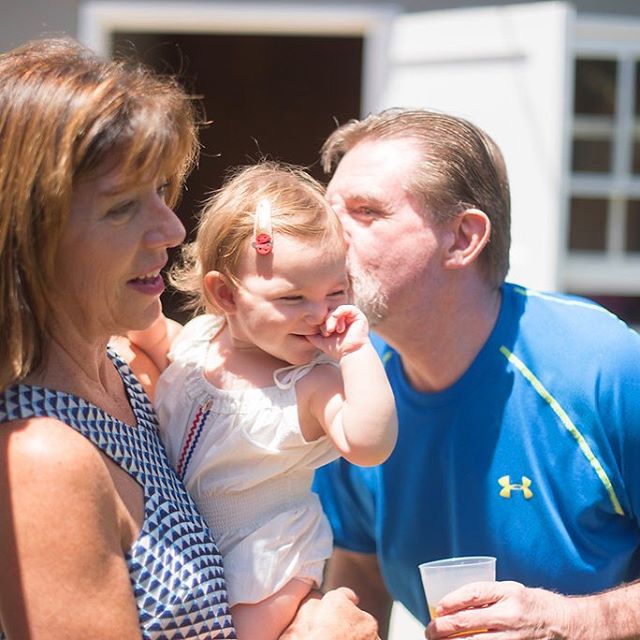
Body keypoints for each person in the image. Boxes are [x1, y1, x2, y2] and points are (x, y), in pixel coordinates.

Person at [0, 37, 380, 640]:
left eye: (162, 190)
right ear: (29, 233)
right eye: (124, 206)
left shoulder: (122, 370)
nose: (172, 227)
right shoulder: (41, 456)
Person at [313, 107, 640, 639]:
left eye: (366, 211)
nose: (330, 238)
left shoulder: (603, 364)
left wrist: (568, 621)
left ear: (463, 238)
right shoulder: (345, 386)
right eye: (329, 214)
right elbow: (360, 574)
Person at [129, 161, 397, 640]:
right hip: (185, 546)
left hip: (266, 560)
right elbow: (143, 332)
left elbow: (369, 443)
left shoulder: (310, 383)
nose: (320, 314)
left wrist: (357, 353)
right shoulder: (197, 342)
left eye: (336, 292)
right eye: (293, 298)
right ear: (225, 295)